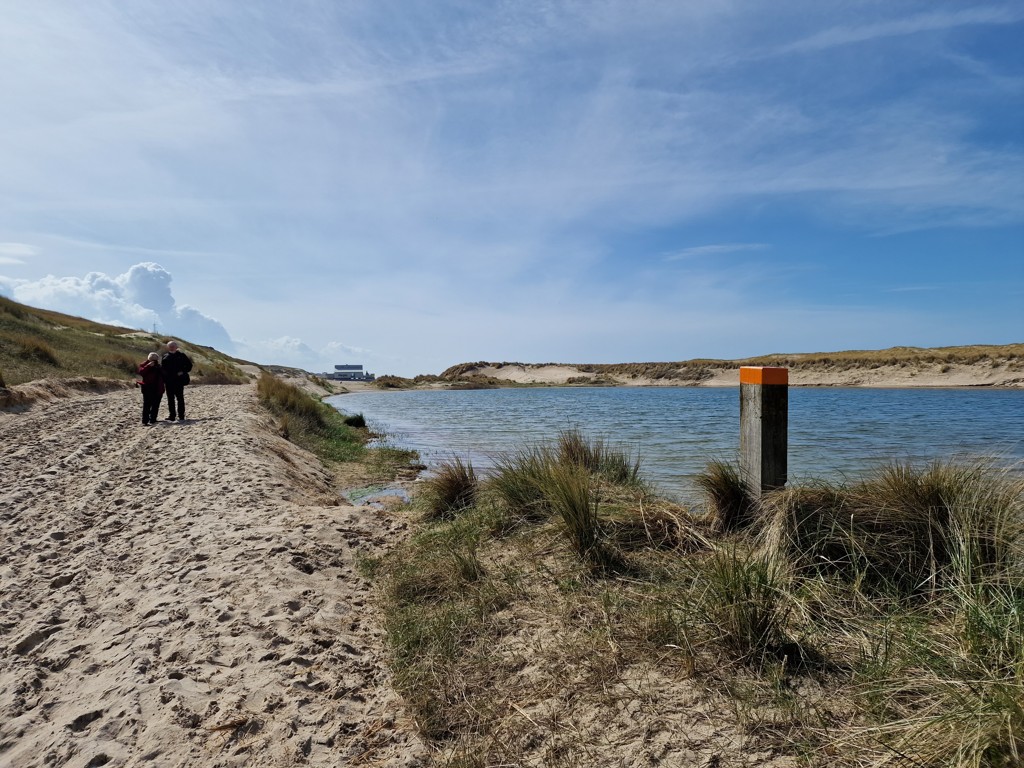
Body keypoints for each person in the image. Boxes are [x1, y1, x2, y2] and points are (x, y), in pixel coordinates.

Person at [161, 340, 193, 421]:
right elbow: (163, 369)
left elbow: (189, 366)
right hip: (169, 381)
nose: (172, 347)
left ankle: (181, 415)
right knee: (170, 399)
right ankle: (172, 416)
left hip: (179, 381)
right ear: (168, 347)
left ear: (176, 347)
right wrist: (164, 379)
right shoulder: (165, 356)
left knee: (180, 398)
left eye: (173, 346)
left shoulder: (181, 355)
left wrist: (183, 371)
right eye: (170, 346)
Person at [137, 352, 164, 425]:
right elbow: (141, 372)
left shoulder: (159, 366)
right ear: (149, 358)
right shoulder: (144, 365)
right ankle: (145, 421)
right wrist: (148, 366)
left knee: (156, 404)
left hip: (158, 387)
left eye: (155, 359)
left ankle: (153, 419)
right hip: (147, 387)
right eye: (152, 359)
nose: (153, 361)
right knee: (147, 404)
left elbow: (164, 375)